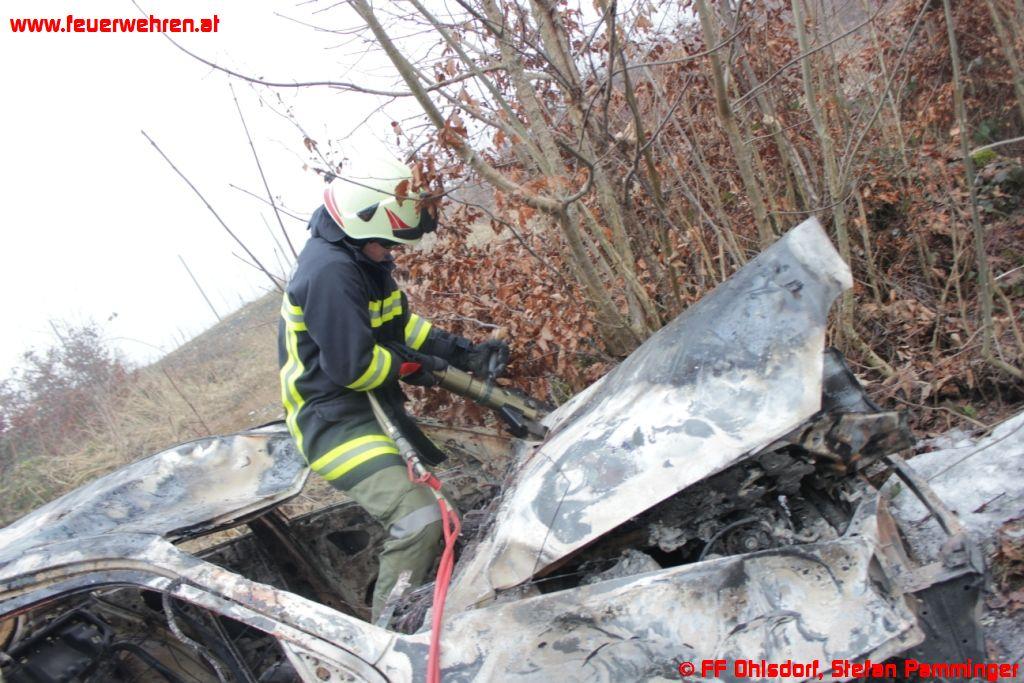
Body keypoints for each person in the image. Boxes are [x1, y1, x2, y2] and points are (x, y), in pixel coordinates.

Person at [277, 156, 509, 622]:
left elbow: (398, 327)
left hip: (367, 407)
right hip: (334, 423)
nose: (391, 252)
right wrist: (417, 364)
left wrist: (463, 352)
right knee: (421, 522)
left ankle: (440, 611)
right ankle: (385, 643)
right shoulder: (330, 274)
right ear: (366, 224)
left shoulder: (359, 258)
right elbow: (355, 366)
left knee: (446, 517)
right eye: (386, 243)